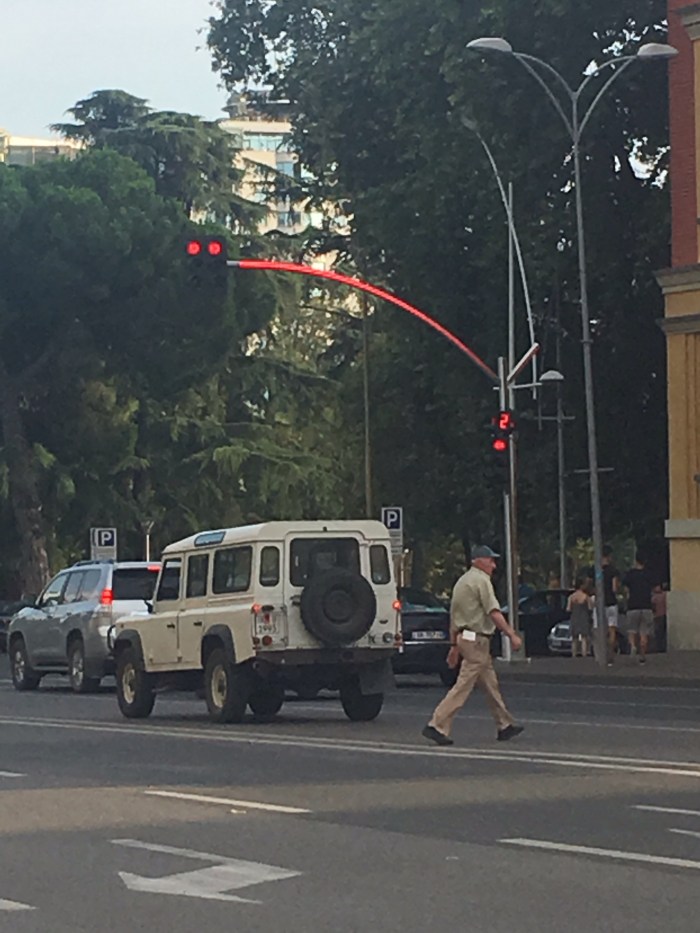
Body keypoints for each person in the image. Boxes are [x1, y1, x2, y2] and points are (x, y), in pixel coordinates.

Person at [422, 545, 524, 747]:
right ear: (478, 561)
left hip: (465, 638)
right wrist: (511, 634)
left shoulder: (462, 582)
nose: (493, 565)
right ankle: (437, 724)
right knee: (463, 685)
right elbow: (493, 612)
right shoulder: (481, 581)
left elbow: (454, 616)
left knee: (490, 684)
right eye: (490, 560)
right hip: (477, 640)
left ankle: (504, 724)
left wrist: (454, 645)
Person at [623, 554, 654, 663]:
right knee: (644, 632)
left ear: (636, 561)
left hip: (633, 606)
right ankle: (642, 656)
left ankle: (633, 646)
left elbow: (626, 590)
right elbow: (653, 589)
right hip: (646, 606)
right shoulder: (649, 574)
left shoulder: (630, 574)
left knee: (632, 630)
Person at [601, 545, 620, 665]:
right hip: (612, 602)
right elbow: (614, 588)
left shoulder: (596, 570)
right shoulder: (613, 571)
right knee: (612, 630)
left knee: (600, 630)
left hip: (600, 603)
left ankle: (601, 654)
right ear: (609, 556)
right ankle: (610, 655)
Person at [567, 577, 593, 658]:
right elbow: (590, 608)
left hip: (574, 617)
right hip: (584, 617)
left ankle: (574, 654)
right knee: (584, 637)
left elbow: (568, 609)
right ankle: (584, 654)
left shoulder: (571, 597)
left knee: (574, 638)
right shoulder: (586, 597)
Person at [651, 583, 668, 653]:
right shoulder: (655, 596)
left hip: (661, 615)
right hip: (658, 616)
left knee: (661, 632)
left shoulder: (661, 595)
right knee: (659, 632)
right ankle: (659, 647)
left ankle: (661, 647)